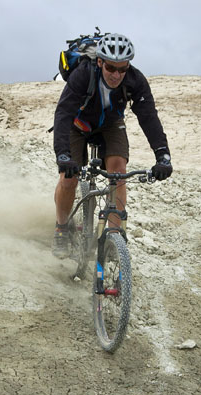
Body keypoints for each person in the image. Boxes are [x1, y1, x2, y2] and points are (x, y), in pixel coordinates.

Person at [51, 33, 173, 258]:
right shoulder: (83, 75)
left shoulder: (135, 80)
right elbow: (63, 113)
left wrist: (162, 155)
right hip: (77, 124)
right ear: (100, 62)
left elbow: (149, 118)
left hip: (110, 124)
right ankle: (61, 228)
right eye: (110, 68)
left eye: (122, 69)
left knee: (118, 172)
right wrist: (63, 155)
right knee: (69, 178)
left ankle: (115, 235)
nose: (117, 74)